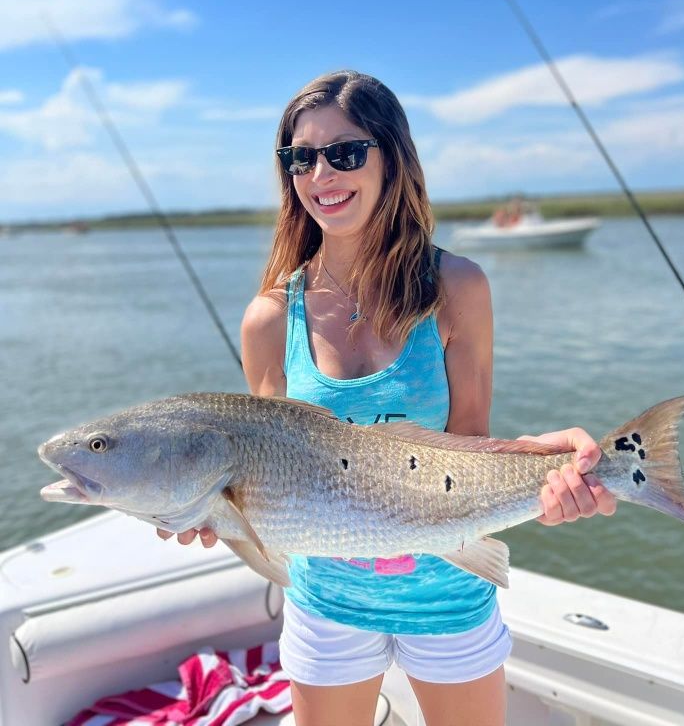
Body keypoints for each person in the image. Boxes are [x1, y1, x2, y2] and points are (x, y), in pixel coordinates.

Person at [158, 70, 616, 726]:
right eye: (300, 158)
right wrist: (209, 509)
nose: (322, 174)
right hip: (326, 608)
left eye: (344, 153)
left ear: (391, 158)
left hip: (450, 598)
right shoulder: (267, 319)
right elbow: (261, 487)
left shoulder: (458, 287)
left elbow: (465, 449)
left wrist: (548, 470)